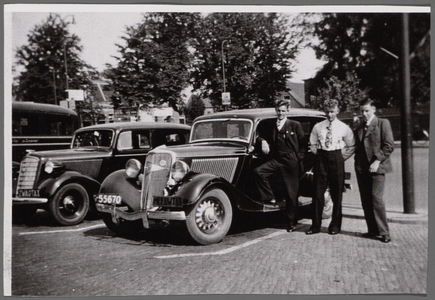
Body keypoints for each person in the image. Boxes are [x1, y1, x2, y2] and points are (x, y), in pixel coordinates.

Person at [253, 100, 305, 232]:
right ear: (276, 111)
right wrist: (263, 141)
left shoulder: (295, 125)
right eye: (278, 110)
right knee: (259, 172)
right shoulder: (272, 124)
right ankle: (269, 198)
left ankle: (291, 222)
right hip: (277, 160)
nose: (280, 113)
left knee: (290, 192)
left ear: (287, 111)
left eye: (283, 111)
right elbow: (259, 135)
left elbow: (303, 144)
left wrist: (298, 158)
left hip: (290, 161)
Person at [306, 99, 355, 235]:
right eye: (327, 112)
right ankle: (315, 226)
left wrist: (340, 158)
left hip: (336, 157)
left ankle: (335, 226)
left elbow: (351, 145)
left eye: (332, 111)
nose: (329, 114)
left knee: (336, 194)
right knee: (317, 193)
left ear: (337, 111)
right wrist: (319, 155)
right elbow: (312, 143)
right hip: (321, 158)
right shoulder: (318, 126)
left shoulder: (344, 127)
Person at [353, 99, 394, 243]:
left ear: (374, 109)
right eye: (362, 111)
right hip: (361, 168)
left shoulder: (383, 123)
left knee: (376, 199)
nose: (364, 114)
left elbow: (389, 145)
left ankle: (384, 232)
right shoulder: (359, 126)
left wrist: (377, 161)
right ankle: (372, 230)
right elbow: (356, 147)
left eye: (367, 111)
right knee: (366, 200)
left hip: (377, 168)